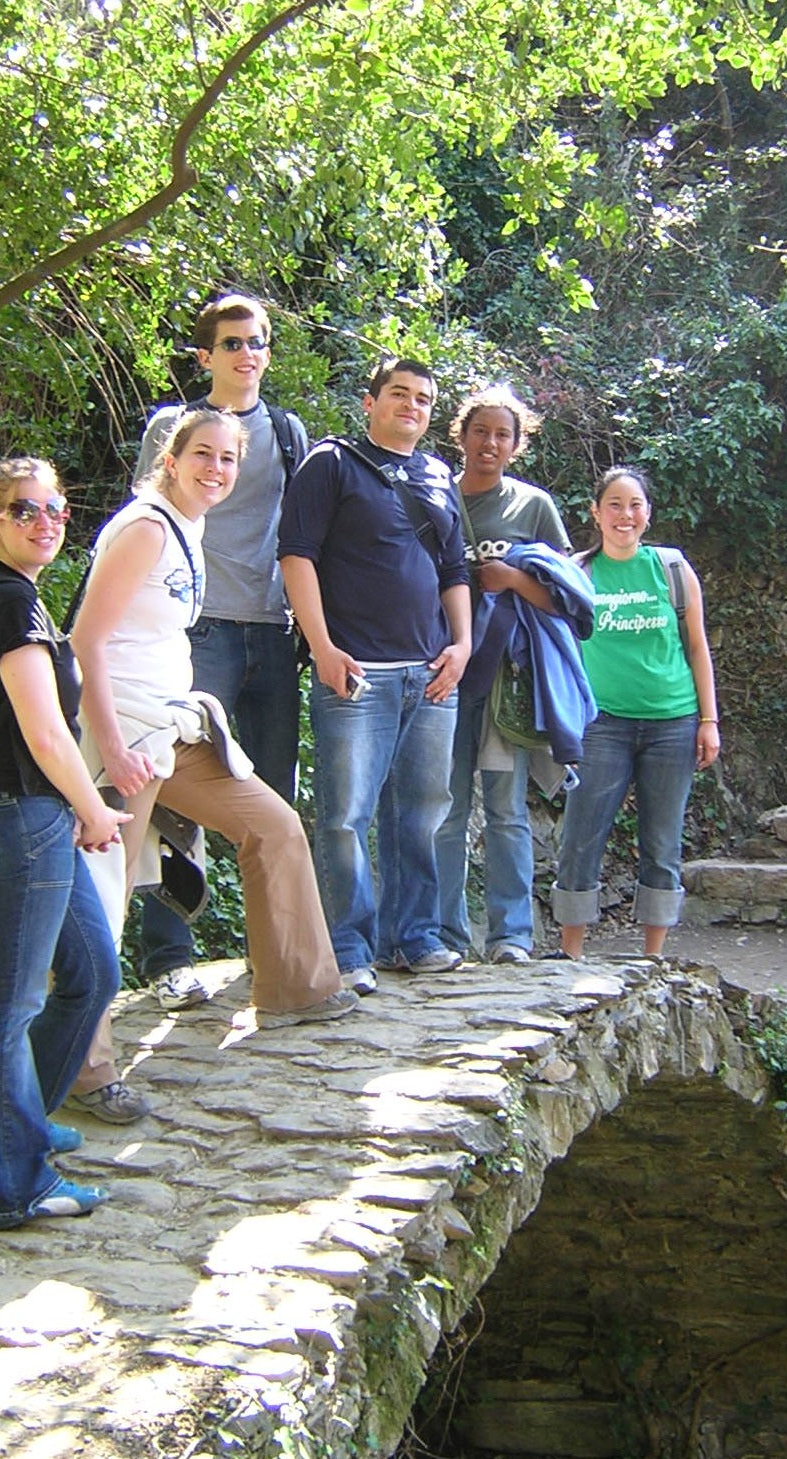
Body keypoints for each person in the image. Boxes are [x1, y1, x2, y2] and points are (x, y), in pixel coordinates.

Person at [66, 408, 353, 1121]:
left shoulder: (188, 528)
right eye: (204, 455)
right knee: (103, 894)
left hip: (175, 727)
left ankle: (297, 988)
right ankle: (86, 1069)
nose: (216, 471)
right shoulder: (144, 528)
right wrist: (110, 745)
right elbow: (84, 642)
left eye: (228, 460)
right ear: (171, 456)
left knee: (275, 825)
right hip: (124, 737)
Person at [0, 458, 127, 1227]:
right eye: (25, 510)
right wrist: (94, 809)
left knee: (92, 975)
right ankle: (13, 1185)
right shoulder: (8, 604)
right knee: (11, 1006)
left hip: (22, 817)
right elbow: (45, 730)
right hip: (18, 816)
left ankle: (15, 1127)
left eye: (56, 507)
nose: (46, 521)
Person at [132, 294, 309, 1015]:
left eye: (257, 341)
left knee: (275, 801)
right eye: (232, 342)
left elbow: (301, 536)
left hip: (271, 632)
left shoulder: (290, 433)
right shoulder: (172, 429)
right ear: (206, 356)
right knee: (176, 796)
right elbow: (146, 523)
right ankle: (170, 961)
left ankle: (277, 962)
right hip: (197, 633)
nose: (246, 353)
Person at [278, 357, 471, 995]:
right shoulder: (330, 464)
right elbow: (296, 555)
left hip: (432, 672)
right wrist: (322, 645)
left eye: (422, 398)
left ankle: (412, 937)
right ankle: (349, 949)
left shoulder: (439, 474)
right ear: (370, 402)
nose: (411, 405)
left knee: (419, 813)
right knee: (345, 816)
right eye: (398, 393)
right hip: (358, 672)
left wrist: (463, 644)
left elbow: (454, 571)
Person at [551, 467, 721, 960]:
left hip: (674, 721)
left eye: (635, 505)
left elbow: (697, 647)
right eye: (615, 505)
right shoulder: (577, 572)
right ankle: (571, 956)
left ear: (647, 513)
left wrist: (709, 720)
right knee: (582, 835)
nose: (626, 515)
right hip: (601, 723)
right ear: (596, 513)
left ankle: (653, 960)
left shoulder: (671, 569)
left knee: (662, 841)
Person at [433, 386, 571, 964]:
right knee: (443, 809)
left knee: (508, 811)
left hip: (503, 684)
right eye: (480, 431)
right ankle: (440, 934)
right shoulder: (433, 495)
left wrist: (512, 580)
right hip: (438, 674)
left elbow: (566, 599)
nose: (490, 443)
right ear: (460, 436)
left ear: (517, 445)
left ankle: (511, 936)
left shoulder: (532, 506)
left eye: (502, 434)